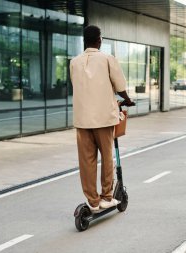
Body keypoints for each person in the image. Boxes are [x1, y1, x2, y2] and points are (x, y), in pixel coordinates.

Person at [70, 25, 135, 212]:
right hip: (103, 119)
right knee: (107, 157)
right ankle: (107, 197)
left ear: (84, 40)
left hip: (82, 120)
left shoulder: (74, 62)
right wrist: (128, 100)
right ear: (99, 40)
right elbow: (120, 85)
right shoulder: (107, 59)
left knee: (87, 161)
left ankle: (92, 200)